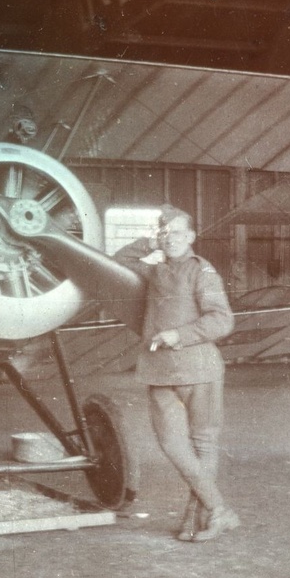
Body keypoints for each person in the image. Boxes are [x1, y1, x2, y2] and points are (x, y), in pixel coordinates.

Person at [115, 204, 239, 542]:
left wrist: (178, 336)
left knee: (202, 444)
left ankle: (196, 518)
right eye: (165, 233)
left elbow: (221, 319)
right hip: (159, 371)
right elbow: (119, 262)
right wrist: (150, 241)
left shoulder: (202, 271)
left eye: (178, 232)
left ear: (192, 237)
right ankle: (218, 510)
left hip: (199, 369)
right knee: (172, 445)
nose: (171, 239)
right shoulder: (154, 271)